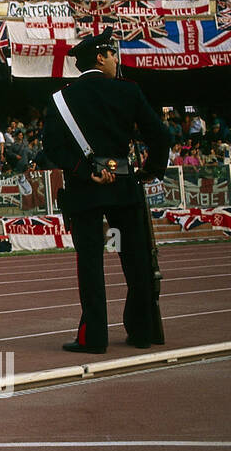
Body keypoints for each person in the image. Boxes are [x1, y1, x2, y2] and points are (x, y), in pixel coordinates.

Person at [43, 28, 169, 354]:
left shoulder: (61, 98)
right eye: (113, 54)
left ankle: (94, 337)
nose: (116, 60)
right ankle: (141, 331)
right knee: (135, 260)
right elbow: (160, 135)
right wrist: (150, 171)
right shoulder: (129, 91)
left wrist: (85, 171)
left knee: (90, 265)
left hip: (84, 190)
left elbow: (51, 147)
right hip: (125, 186)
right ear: (100, 57)